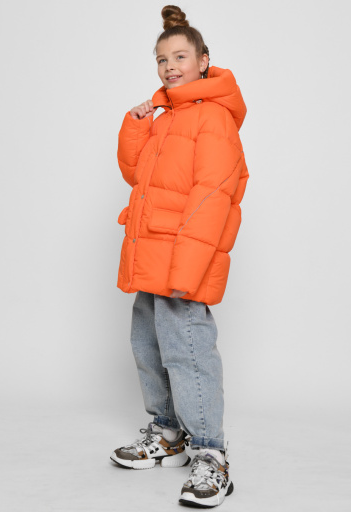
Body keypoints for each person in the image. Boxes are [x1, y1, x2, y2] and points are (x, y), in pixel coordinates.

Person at [110, 4, 249, 508]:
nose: (170, 67)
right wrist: (135, 126)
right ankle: (167, 433)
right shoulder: (167, 118)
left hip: (182, 262)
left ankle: (211, 453)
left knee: (187, 351)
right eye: (162, 59)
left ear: (203, 61)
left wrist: (187, 269)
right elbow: (139, 178)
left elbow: (213, 195)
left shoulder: (212, 118)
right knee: (148, 344)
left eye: (180, 57)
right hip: (153, 254)